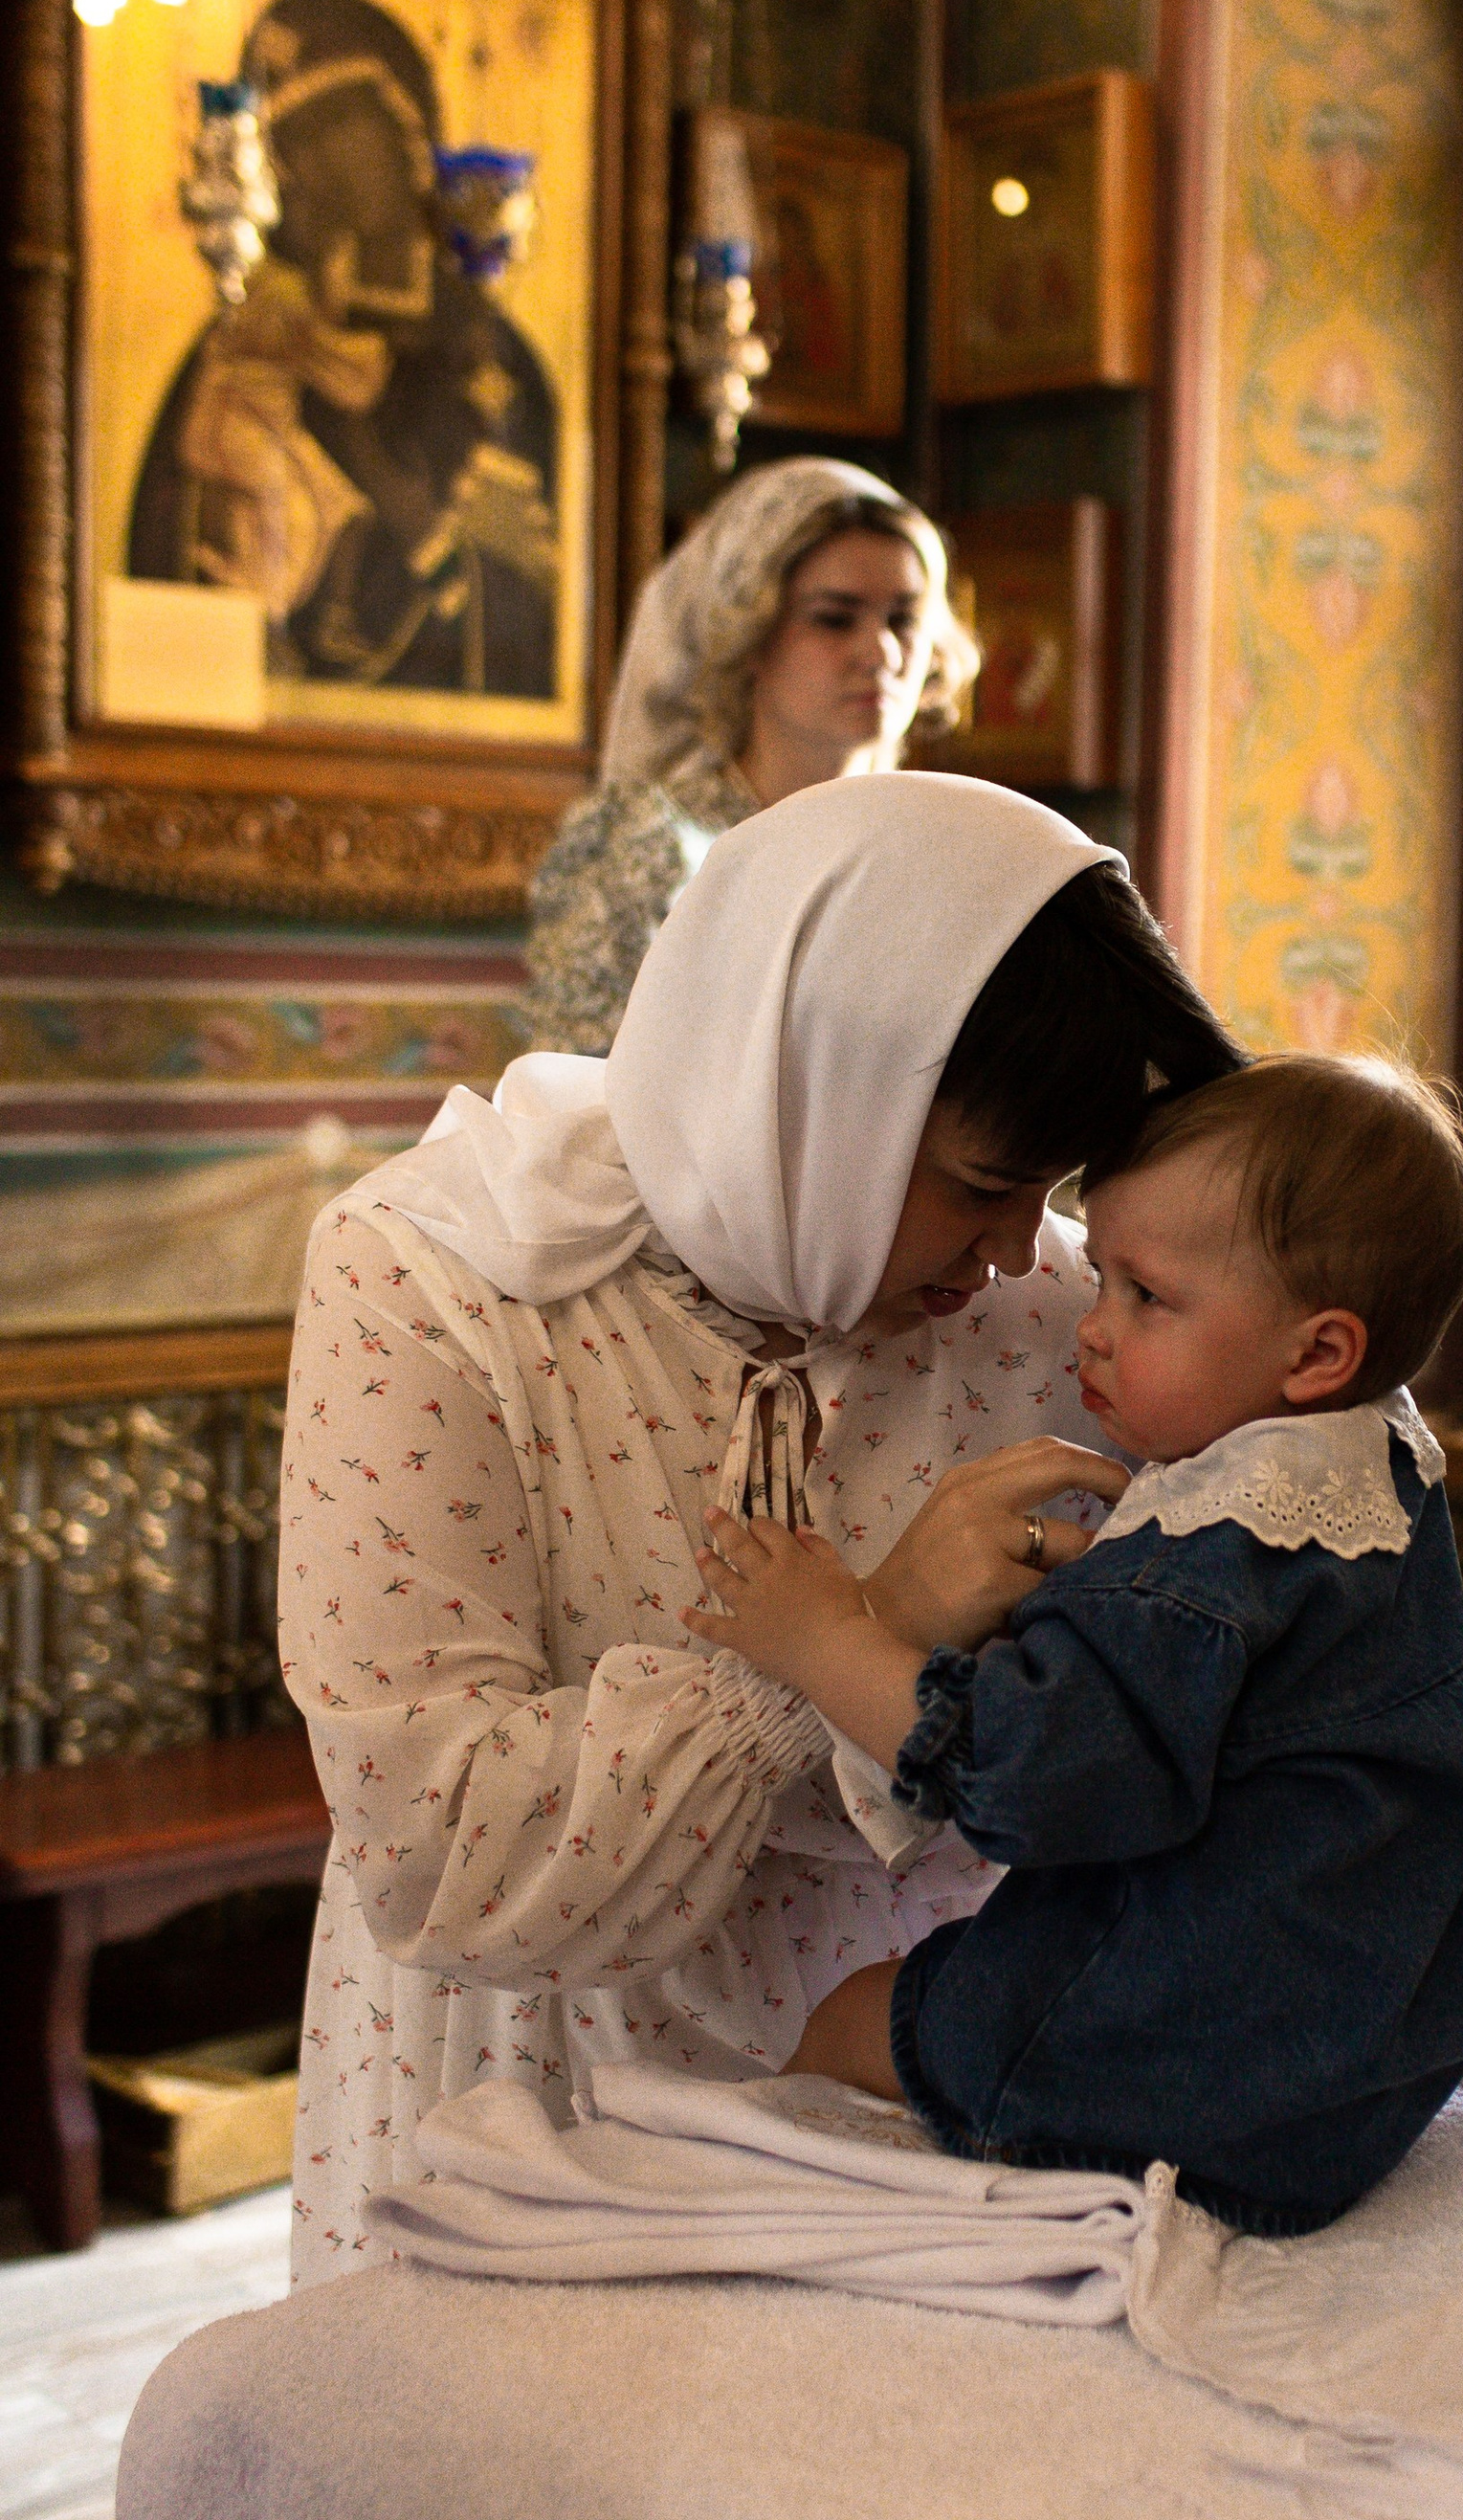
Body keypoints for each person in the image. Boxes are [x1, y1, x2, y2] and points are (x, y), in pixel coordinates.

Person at [280, 770, 1238, 2281]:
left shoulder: (1066, 1309)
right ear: (810, 1095)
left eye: (1048, 1190)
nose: (1013, 1251)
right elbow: (439, 1845)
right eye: (984, 1184)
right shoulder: (437, 1282)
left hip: (923, 2083)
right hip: (545, 2081)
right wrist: (860, 1638)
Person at [686, 1056, 1463, 2232]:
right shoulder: (1378, 1478)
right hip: (1365, 2074)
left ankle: (754, 2253)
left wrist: (821, 1637)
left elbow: (1023, 1779)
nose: (1092, 1330)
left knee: (851, 2021)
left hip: (1172, 2053)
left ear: (1316, 1355)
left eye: (1145, 1297)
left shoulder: (1204, 1553)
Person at [130, 0, 562, 701]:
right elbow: (171, 563)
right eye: (290, 142)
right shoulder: (244, 338)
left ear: (405, 129)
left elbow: (532, 603)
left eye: (337, 126)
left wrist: (405, 504)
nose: (314, 165)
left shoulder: (492, 355)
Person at [522, 458, 980, 1053]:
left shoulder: (937, 851)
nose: (881, 652)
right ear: (751, 634)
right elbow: (580, 1081)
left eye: (904, 620)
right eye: (834, 619)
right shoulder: (653, 847)